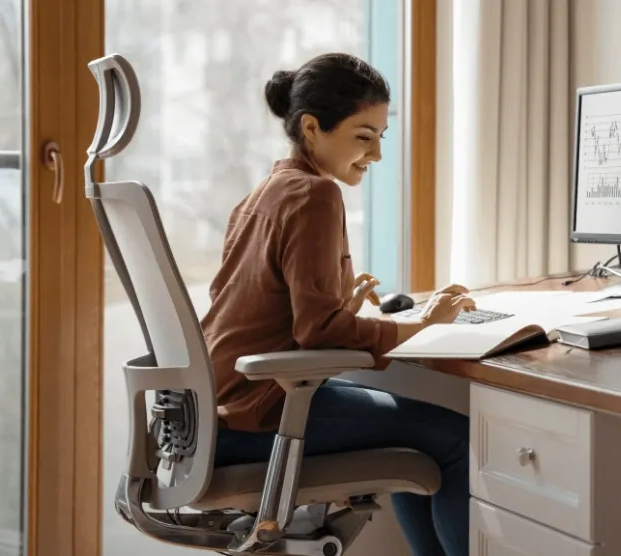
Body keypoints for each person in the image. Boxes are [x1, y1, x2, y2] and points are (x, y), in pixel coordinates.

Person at [200, 52, 474, 556]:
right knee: (459, 442)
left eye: (379, 138)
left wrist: (340, 307)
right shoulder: (316, 195)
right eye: (362, 137)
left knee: (422, 443)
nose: (375, 155)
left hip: (213, 414)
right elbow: (319, 333)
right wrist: (425, 325)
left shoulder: (263, 193)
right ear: (312, 128)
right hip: (260, 415)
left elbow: (256, 308)